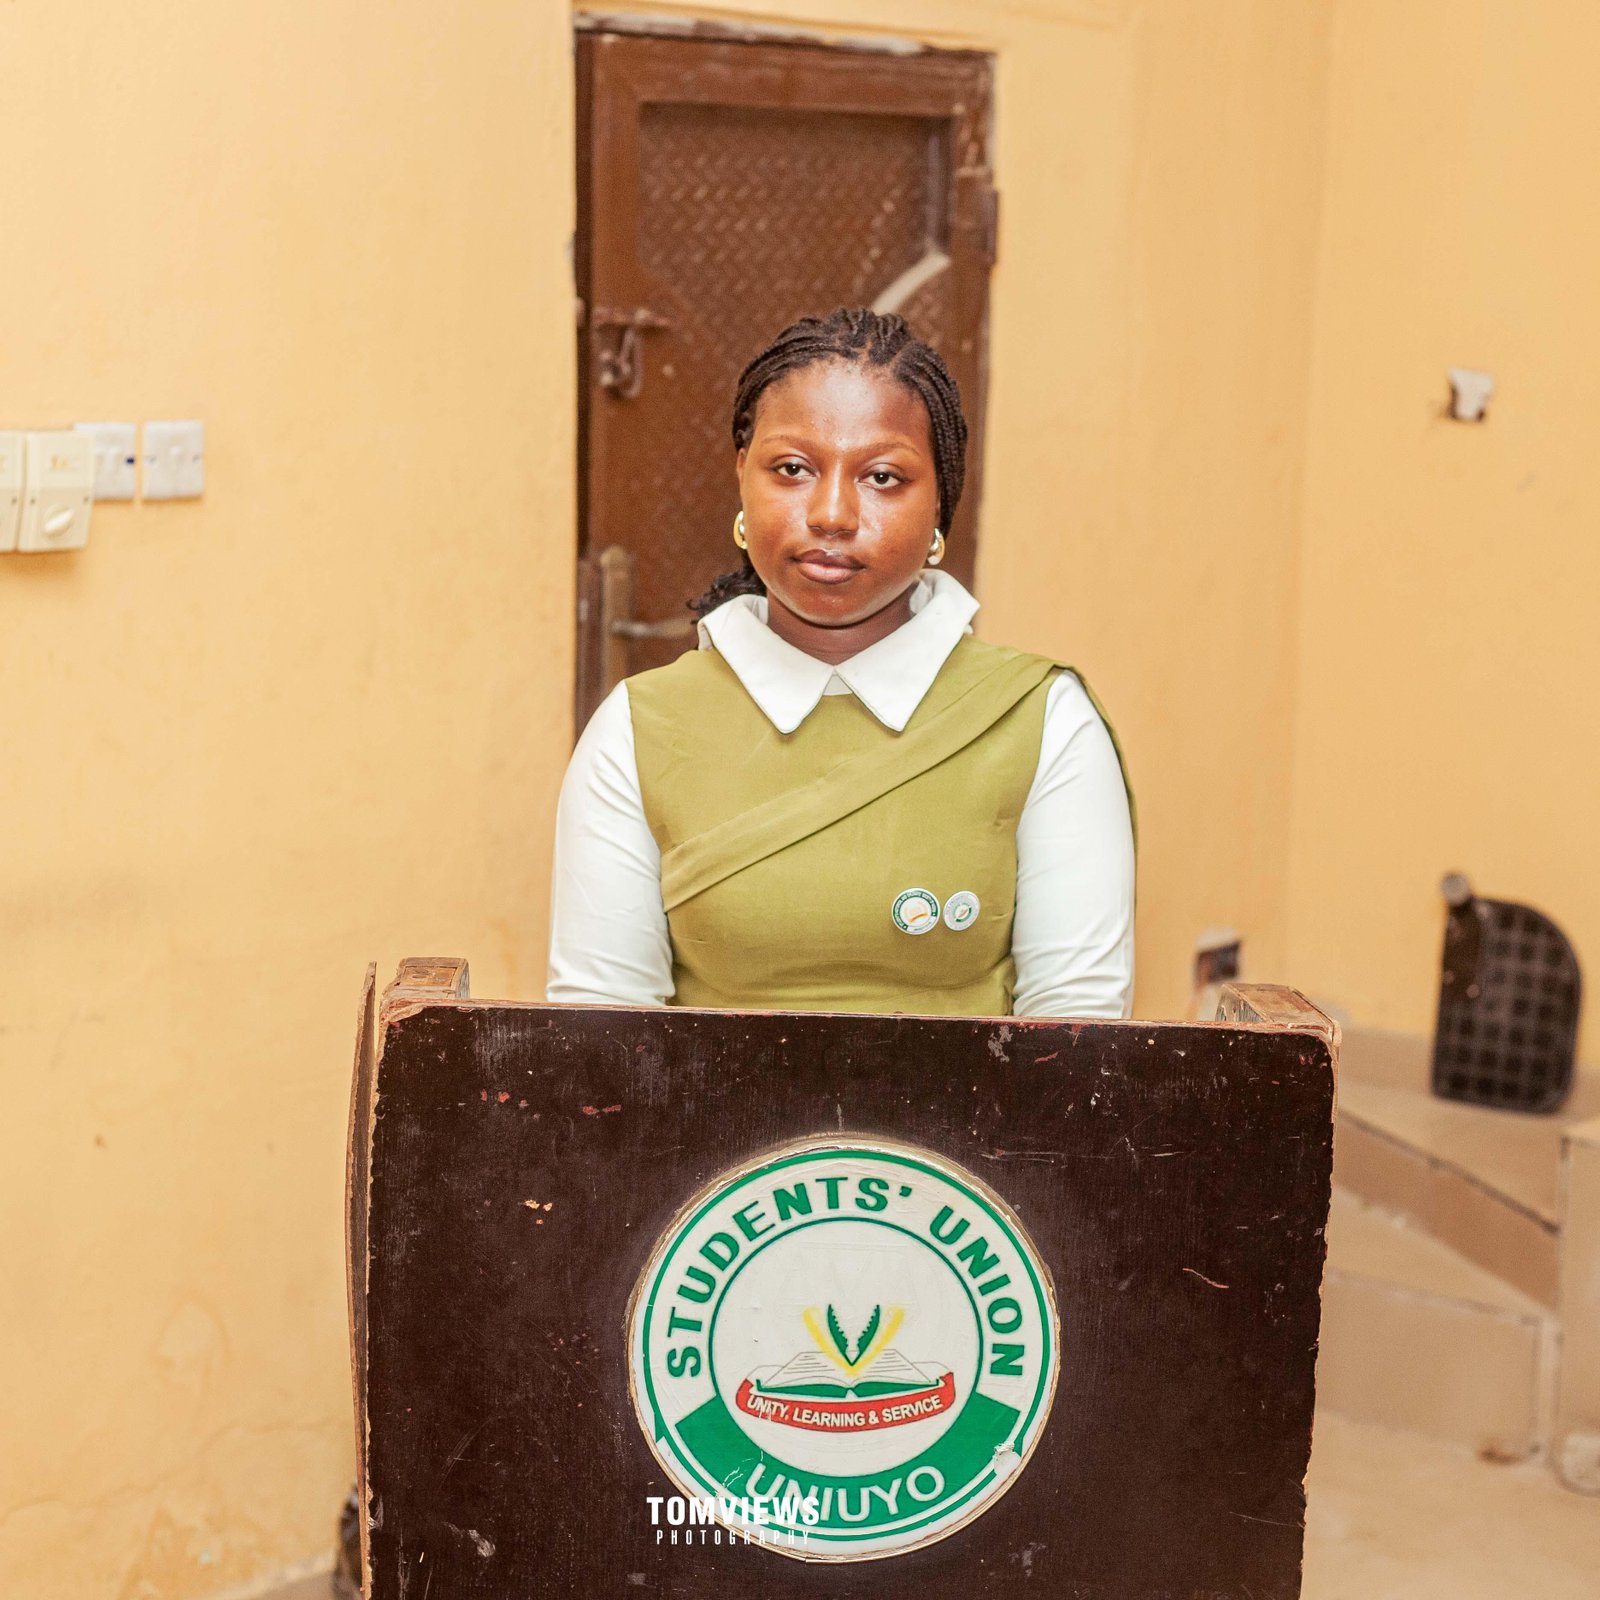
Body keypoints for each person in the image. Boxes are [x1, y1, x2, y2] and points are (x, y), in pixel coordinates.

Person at [548, 308, 1134, 1018]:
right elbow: (600, 1037)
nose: (831, 513)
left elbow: (1077, 1034)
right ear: (743, 477)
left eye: (883, 477)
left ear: (940, 504)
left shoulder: (1040, 720)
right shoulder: (638, 729)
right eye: (793, 469)